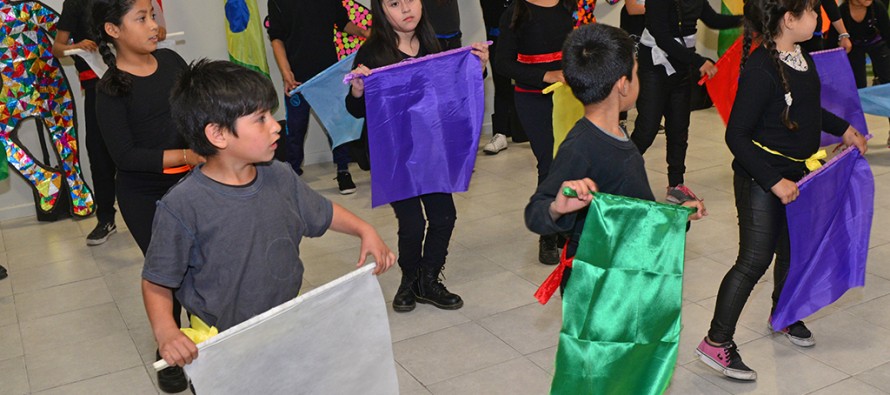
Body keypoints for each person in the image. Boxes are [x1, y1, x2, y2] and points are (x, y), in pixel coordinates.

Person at [143, 59, 395, 371]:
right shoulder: (183, 205)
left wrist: (363, 229)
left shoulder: (279, 176)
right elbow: (156, 280)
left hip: (286, 326)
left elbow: (323, 212)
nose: (276, 125)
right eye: (260, 119)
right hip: (221, 344)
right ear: (218, 134)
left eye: (270, 115)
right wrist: (166, 331)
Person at [695, 0, 868, 381]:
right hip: (761, 177)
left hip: (797, 175)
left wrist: (845, 129)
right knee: (754, 260)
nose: (817, 17)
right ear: (789, 21)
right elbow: (735, 135)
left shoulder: (800, 56)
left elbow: (808, 110)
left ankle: (784, 313)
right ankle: (716, 341)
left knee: (792, 250)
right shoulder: (761, 68)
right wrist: (774, 181)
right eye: (810, 11)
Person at [525, 23, 706, 297]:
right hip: (596, 285)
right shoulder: (582, 146)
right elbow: (535, 213)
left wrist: (679, 217)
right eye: (636, 72)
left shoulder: (617, 135)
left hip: (623, 273)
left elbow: (634, 209)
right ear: (623, 85)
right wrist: (557, 208)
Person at [346, 0, 489, 313]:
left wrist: (478, 68)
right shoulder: (372, 52)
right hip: (395, 155)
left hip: (432, 149)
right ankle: (409, 280)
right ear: (381, 10)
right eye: (394, 4)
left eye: (410, 0)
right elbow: (357, 110)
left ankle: (428, 279)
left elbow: (454, 92)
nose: (405, 9)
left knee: (444, 216)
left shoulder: (433, 44)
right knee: (411, 223)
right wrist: (358, 90)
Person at [91, 0, 198, 391]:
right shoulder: (109, 89)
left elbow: (196, 111)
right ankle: (168, 345)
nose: (153, 25)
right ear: (113, 30)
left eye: (153, 16)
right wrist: (188, 154)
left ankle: (205, 334)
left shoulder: (171, 62)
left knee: (201, 264)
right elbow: (127, 156)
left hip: (193, 184)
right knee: (167, 271)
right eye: (142, 19)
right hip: (144, 194)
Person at [630, 0, 741, 203]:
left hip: (682, 64)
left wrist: (747, 19)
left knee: (679, 129)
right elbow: (662, 38)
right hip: (655, 65)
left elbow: (713, 19)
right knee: (647, 129)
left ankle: (676, 185)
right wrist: (698, 61)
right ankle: (618, 175)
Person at [496, 0, 575, 265]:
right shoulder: (516, 11)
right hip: (533, 98)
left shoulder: (566, 5)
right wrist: (546, 75)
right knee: (549, 164)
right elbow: (503, 64)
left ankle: (568, 224)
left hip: (569, 97)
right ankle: (547, 233)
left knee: (572, 161)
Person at [266, 0, 368, 194]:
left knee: (337, 125)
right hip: (297, 79)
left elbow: (343, 22)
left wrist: (363, 32)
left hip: (329, 75)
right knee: (295, 129)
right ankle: (292, 173)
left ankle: (343, 171)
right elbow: (276, 37)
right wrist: (285, 72)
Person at [830, 0, 890, 144]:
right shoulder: (842, 11)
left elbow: (888, 36)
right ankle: (857, 135)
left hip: (877, 44)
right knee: (856, 91)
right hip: (854, 47)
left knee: (888, 84)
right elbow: (830, 43)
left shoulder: (877, 7)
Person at [480, 0, 526, 154]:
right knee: (501, 83)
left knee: (529, 80)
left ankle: (527, 128)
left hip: (524, 33)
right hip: (497, 36)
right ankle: (500, 133)